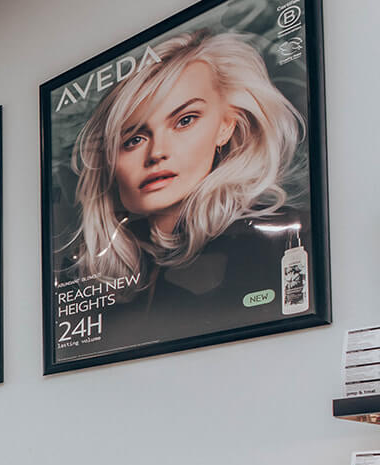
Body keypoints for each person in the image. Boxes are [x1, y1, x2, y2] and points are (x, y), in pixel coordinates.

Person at [64, 29, 306, 340]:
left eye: (185, 120)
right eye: (134, 139)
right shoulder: (99, 276)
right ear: (110, 161)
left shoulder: (282, 238)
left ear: (226, 126)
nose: (157, 153)